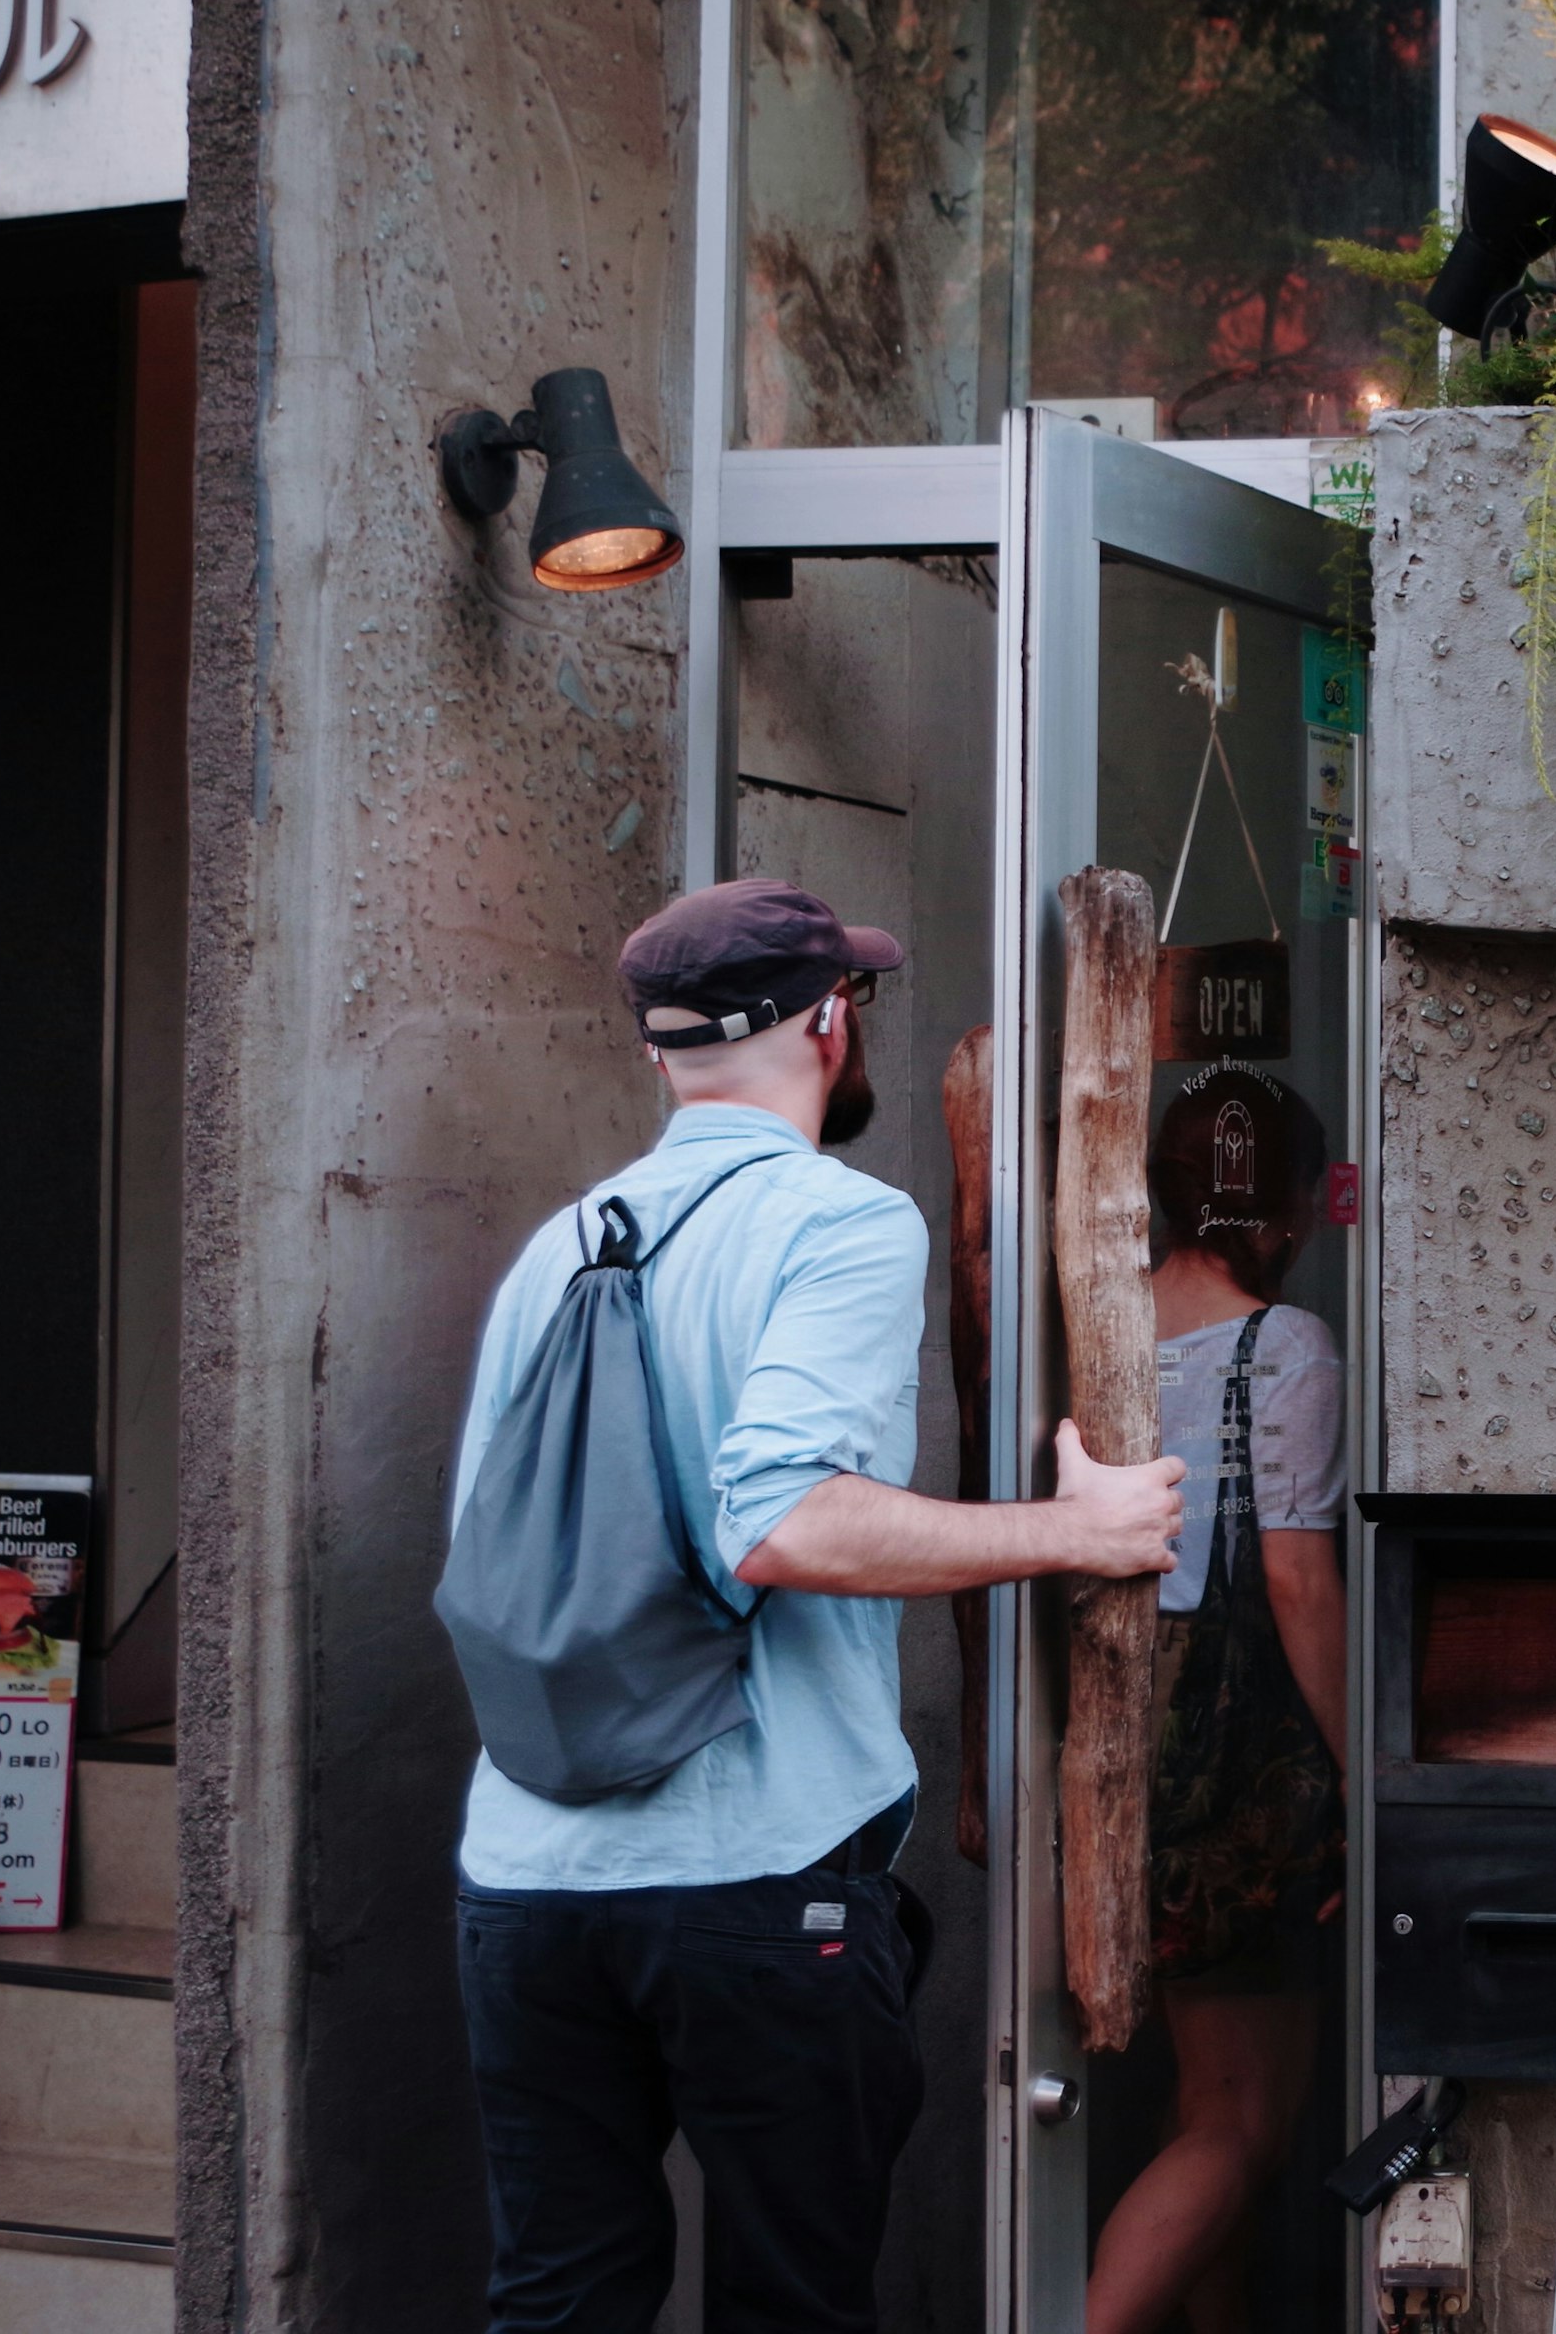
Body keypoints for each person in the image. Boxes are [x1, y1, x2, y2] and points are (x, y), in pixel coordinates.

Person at [450, 878, 1186, 2334]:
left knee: (559, 2298)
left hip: (524, 1880)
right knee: (796, 2304)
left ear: (662, 1053)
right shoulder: (841, 1224)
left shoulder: (561, 1244)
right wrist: (1073, 1528)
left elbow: (489, 1550)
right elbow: (781, 1517)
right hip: (750, 1874)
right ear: (832, 1023)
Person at [1087, 1065, 1348, 2334]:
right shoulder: (1281, 1345)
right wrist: (1364, 1773)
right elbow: (1295, 1579)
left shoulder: (1093, 1334)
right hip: (1237, 1760)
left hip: (1113, 1741)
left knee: (1202, 2100)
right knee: (1243, 2123)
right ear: (1283, 1210)